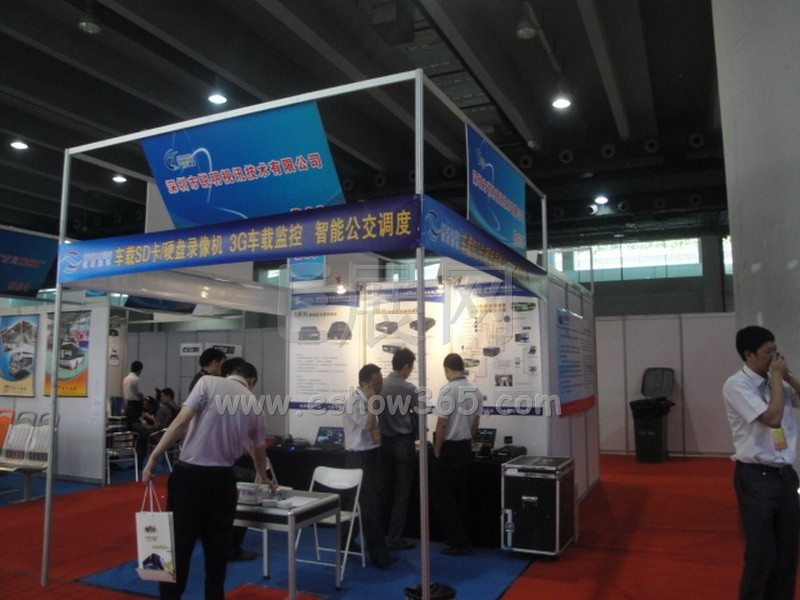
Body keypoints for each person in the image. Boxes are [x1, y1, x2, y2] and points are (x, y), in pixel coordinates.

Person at [142, 361, 275, 600]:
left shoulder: (207, 383)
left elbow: (180, 423)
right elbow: (258, 450)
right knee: (217, 552)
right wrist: (264, 477)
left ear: (228, 373)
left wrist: (154, 457)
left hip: (190, 477)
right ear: (251, 381)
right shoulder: (255, 404)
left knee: (179, 546)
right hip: (223, 481)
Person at [723, 325, 800, 600]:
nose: (774, 357)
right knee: (762, 555)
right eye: (768, 352)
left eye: (775, 350)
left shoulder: (776, 382)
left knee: (788, 553)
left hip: (786, 476)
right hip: (756, 478)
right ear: (749, 354)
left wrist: (787, 376)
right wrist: (777, 380)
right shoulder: (736, 385)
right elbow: (772, 419)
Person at [342, 363, 394, 568]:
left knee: (357, 503)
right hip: (359, 458)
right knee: (369, 506)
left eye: (381, 382)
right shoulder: (355, 401)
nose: (381, 386)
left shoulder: (367, 399)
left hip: (370, 454)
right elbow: (368, 425)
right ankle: (380, 556)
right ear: (365, 384)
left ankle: (344, 541)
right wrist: (373, 403)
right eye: (377, 383)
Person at [432, 353, 483, 556]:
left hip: (450, 449)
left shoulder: (448, 390)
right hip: (465, 448)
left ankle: (458, 541)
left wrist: (437, 449)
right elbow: (476, 423)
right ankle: (460, 538)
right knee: (460, 496)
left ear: (447, 369)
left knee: (444, 498)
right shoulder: (475, 391)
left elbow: (442, 424)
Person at [378, 348, 417, 550]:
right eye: (411, 367)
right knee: (401, 494)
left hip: (384, 443)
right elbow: (418, 415)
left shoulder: (380, 386)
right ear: (406, 366)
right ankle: (394, 537)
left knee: (382, 491)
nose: (411, 371)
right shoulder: (409, 389)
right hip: (403, 443)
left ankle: (376, 535)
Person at [132, 388, 178, 462]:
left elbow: (157, 425)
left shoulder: (163, 408)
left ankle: (140, 462)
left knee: (140, 434)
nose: (161, 399)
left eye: (162, 396)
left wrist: (146, 426)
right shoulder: (178, 409)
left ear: (169, 396)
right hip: (174, 437)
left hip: (160, 436)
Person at [123, 360, 145, 430]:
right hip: (136, 405)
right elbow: (140, 393)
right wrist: (143, 402)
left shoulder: (125, 379)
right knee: (136, 425)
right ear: (140, 369)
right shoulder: (136, 379)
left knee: (129, 425)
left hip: (128, 404)